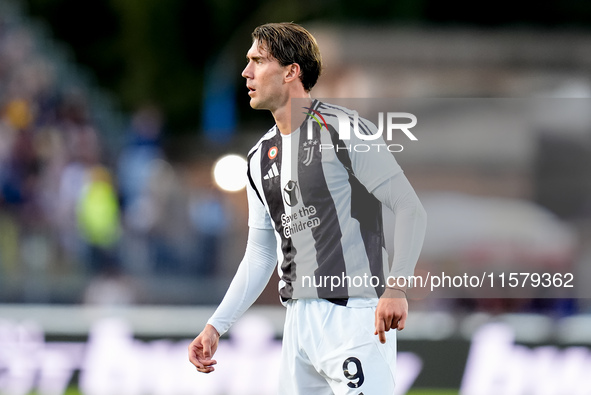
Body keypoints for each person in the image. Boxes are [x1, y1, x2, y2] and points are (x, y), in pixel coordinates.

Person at [188, 22, 427, 394]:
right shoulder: (257, 159)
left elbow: (410, 208)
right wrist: (216, 325)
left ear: (291, 71)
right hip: (299, 324)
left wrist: (396, 287)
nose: (246, 71)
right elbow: (259, 255)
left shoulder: (346, 131)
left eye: (258, 61)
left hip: (354, 318)